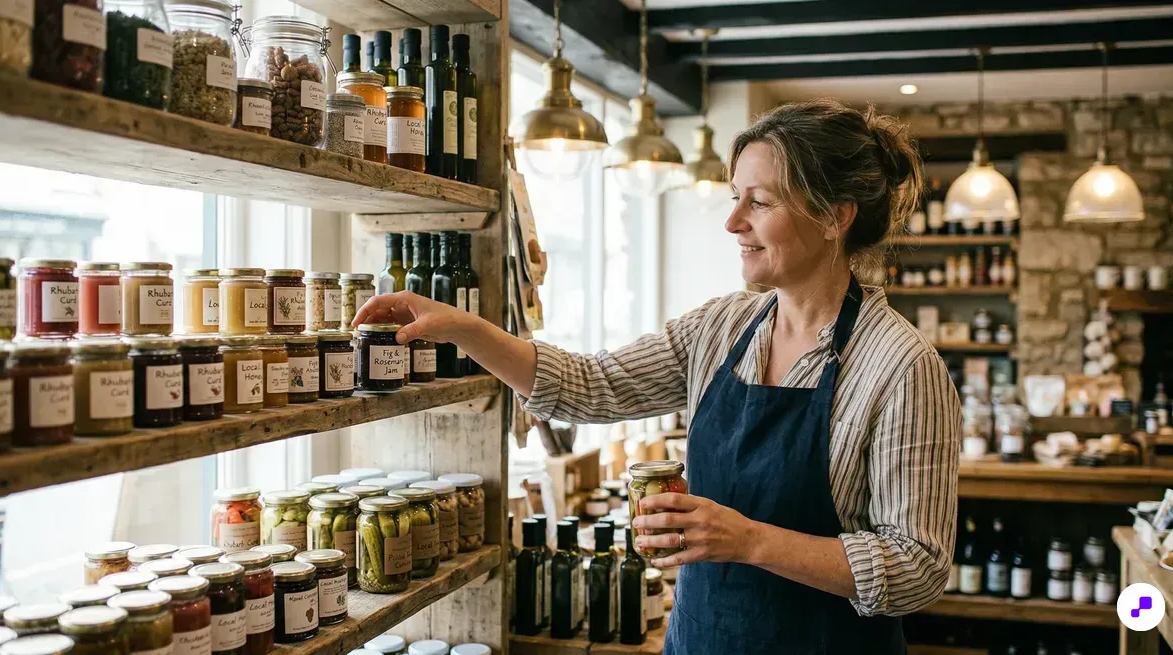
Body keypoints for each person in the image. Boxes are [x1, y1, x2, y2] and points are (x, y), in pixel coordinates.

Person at [352, 99, 961, 654]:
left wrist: (749, 541)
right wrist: (465, 329)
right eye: (734, 197)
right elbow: (592, 385)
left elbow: (918, 568)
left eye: (761, 202)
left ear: (835, 218)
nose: (733, 223)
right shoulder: (721, 329)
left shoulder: (903, 368)